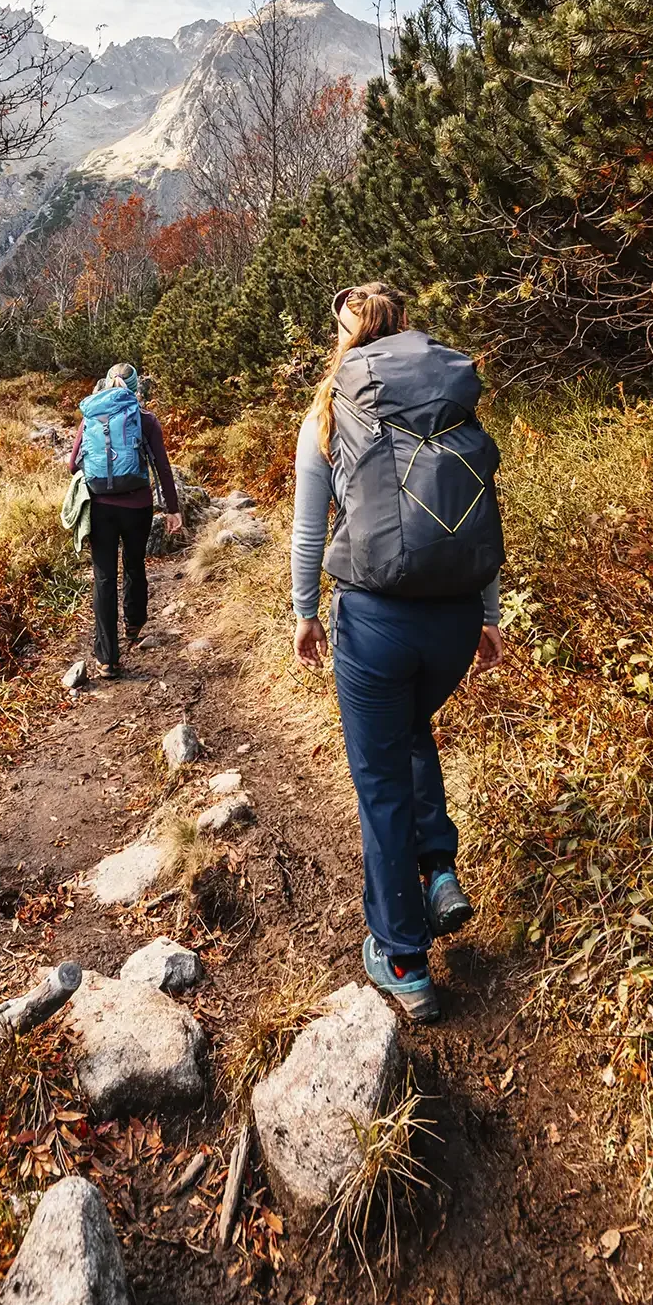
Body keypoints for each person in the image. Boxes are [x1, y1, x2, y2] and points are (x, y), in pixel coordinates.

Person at [291, 283, 504, 1022]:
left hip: (375, 624)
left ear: (343, 339)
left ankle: (404, 957)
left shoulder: (328, 413)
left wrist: (303, 613)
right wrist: (488, 614)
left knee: (379, 780)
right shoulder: (446, 401)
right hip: (451, 622)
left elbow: (309, 533)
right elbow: (473, 502)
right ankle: (439, 869)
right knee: (410, 727)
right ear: (404, 331)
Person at [71, 363, 182, 679]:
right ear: (137, 388)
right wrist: (173, 508)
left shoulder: (91, 415)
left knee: (104, 578)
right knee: (134, 563)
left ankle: (107, 659)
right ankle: (134, 622)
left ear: (105, 384)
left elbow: (71, 464)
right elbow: (162, 467)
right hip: (138, 506)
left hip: (100, 508)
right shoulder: (145, 420)